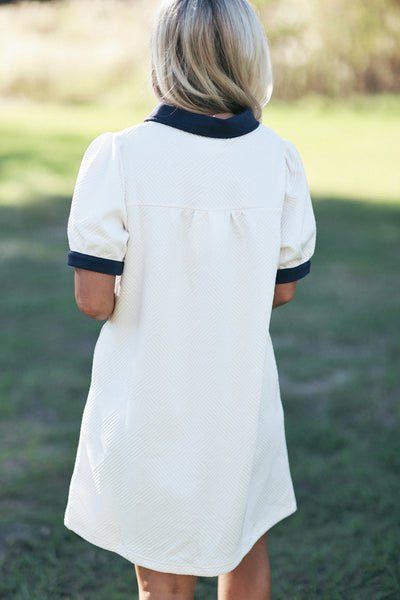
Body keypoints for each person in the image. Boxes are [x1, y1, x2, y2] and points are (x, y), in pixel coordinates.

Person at [64, 0, 316, 598]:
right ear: (249, 58)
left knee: (163, 572)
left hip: (150, 399)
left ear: (164, 61)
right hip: (240, 392)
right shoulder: (278, 158)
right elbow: (282, 287)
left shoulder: (119, 155)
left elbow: (94, 300)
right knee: (244, 540)